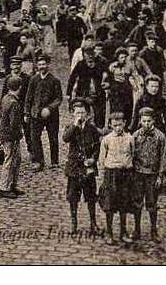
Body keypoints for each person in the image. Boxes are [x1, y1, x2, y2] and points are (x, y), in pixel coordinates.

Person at [98, 110, 136, 246]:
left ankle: (123, 232)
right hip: (111, 174)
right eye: (114, 125)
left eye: (120, 125)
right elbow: (102, 159)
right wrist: (104, 177)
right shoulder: (107, 140)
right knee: (110, 204)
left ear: (124, 123)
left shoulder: (130, 138)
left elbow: (133, 154)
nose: (118, 128)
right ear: (110, 125)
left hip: (125, 174)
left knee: (124, 204)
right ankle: (109, 232)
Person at [63, 99, 101, 233]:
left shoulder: (92, 129)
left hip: (88, 167)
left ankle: (93, 223)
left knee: (91, 196)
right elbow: (65, 138)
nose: (80, 115)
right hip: (74, 168)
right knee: (73, 196)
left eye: (82, 112)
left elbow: (97, 146)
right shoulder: (70, 127)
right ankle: (74, 223)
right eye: (77, 112)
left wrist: (93, 159)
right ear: (73, 114)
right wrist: (75, 125)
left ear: (87, 114)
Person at [132, 107, 166, 243]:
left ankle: (153, 230)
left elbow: (164, 157)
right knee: (137, 203)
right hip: (138, 174)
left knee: (152, 203)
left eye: (149, 121)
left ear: (153, 121)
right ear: (140, 121)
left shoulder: (160, 136)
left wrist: (160, 176)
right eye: (144, 121)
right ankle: (137, 229)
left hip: (152, 175)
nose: (146, 124)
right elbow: (131, 155)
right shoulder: (135, 136)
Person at [24, 53, 63, 171]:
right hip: (36, 113)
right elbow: (28, 97)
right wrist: (26, 113)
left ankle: (54, 161)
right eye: (39, 64)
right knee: (34, 137)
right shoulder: (33, 79)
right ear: (37, 66)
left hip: (51, 115)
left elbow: (58, 98)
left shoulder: (54, 80)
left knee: (53, 138)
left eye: (44, 64)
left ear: (48, 65)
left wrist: (49, 108)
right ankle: (39, 161)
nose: (42, 66)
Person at [0, 76, 25, 199]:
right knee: (10, 160)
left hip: (5, 134)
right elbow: (14, 124)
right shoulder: (14, 103)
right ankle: (4, 187)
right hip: (11, 137)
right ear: (19, 87)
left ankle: (12, 184)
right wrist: (18, 135)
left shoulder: (5, 98)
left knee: (16, 159)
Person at [67, 44, 106, 128]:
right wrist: (68, 93)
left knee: (99, 116)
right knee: (83, 114)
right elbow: (72, 78)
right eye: (87, 54)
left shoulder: (100, 63)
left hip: (98, 93)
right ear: (83, 55)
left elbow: (108, 74)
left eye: (91, 54)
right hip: (84, 94)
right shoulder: (80, 65)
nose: (89, 56)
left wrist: (106, 82)